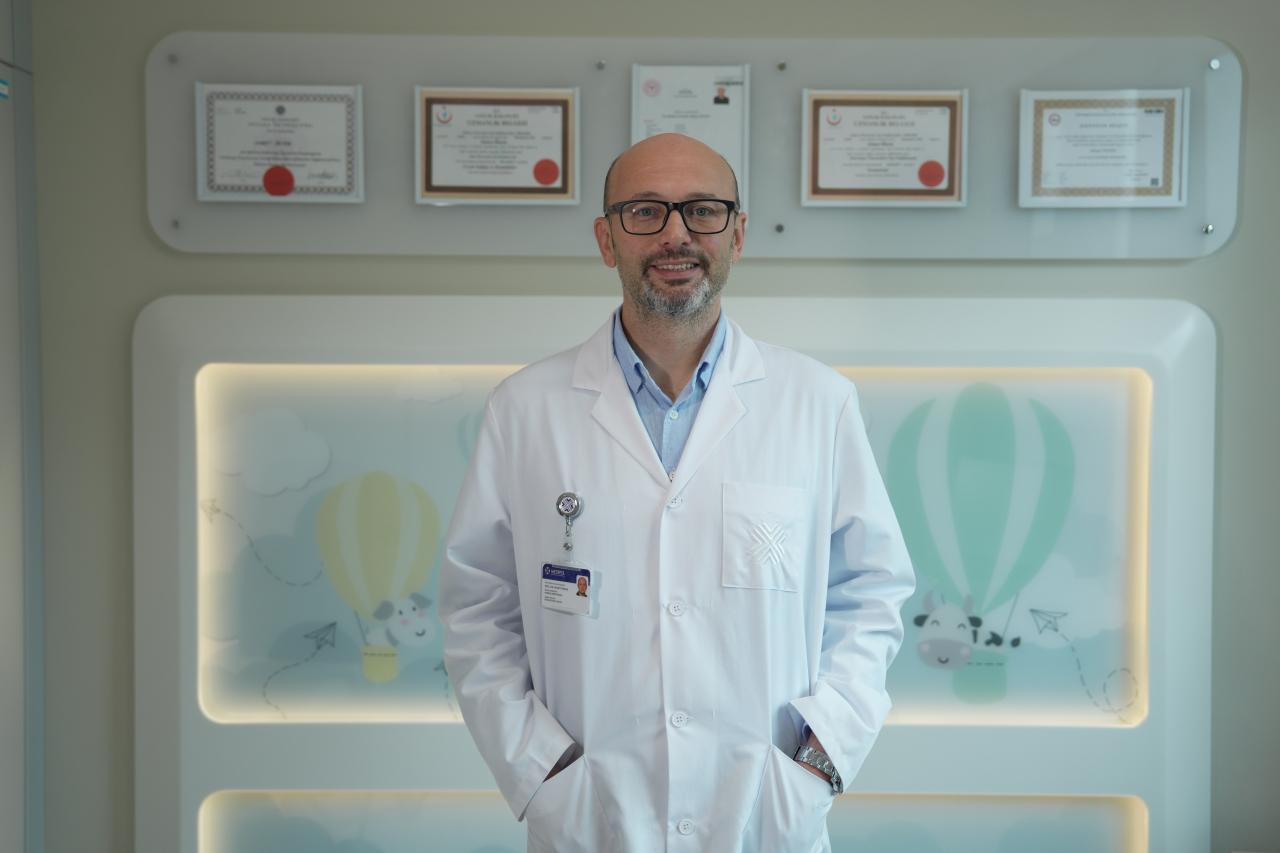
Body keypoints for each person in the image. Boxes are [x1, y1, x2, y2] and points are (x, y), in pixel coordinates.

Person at [439, 133, 915, 853]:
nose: (675, 234)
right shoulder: (525, 409)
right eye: (644, 211)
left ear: (738, 234)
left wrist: (820, 758)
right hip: (590, 814)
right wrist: (539, 768)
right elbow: (479, 605)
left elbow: (871, 593)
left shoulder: (818, 403)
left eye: (702, 210)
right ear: (606, 239)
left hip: (765, 812)